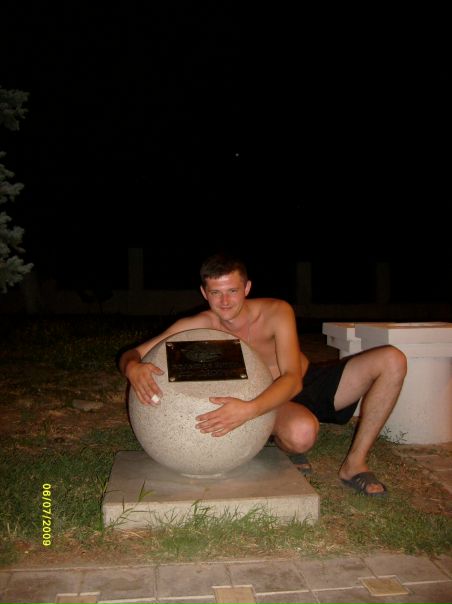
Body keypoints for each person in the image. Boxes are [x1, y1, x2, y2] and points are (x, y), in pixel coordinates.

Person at [119, 253, 407, 496]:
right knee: (302, 435)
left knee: (392, 359)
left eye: (233, 290)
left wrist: (248, 411)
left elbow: (293, 378)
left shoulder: (276, 311)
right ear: (204, 293)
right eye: (216, 293)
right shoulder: (198, 324)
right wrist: (133, 368)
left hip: (303, 380)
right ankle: (276, 437)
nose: (225, 301)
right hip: (271, 397)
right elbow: (133, 354)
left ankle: (355, 464)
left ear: (247, 288)